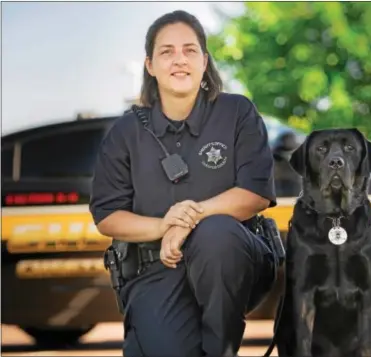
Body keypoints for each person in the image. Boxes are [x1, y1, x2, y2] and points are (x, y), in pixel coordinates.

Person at [89, 9, 277, 357]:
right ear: (149, 65)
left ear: (205, 62)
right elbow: (108, 216)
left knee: (216, 232)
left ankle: (222, 350)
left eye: (190, 50)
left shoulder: (237, 112)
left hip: (234, 261)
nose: (180, 60)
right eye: (167, 51)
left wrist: (189, 218)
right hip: (156, 270)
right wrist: (164, 225)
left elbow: (255, 193)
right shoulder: (125, 132)